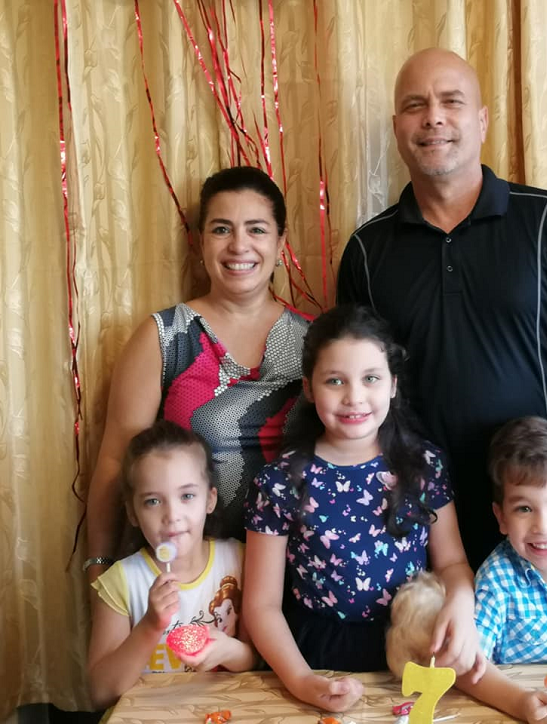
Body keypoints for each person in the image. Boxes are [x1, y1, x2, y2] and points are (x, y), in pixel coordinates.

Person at [337, 47, 547, 624]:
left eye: (451, 101)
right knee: (435, 678)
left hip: (545, 527)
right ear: (397, 128)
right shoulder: (367, 252)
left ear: (481, 120)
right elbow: (355, 397)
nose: (433, 117)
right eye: (415, 105)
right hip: (420, 532)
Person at [242, 305, 485, 712]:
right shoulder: (279, 481)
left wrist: (461, 606)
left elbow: (453, 563)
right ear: (309, 388)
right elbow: (261, 606)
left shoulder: (423, 465)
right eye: (335, 380)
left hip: (415, 644)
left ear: (392, 384)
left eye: (370, 378)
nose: (354, 397)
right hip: (315, 656)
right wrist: (302, 681)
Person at [86, 166, 310, 583]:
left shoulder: (316, 343)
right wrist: (98, 569)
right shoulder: (163, 336)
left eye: (257, 229)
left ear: (281, 243)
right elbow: (117, 461)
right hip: (187, 583)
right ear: (200, 242)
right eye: (222, 229)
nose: (239, 245)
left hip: (299, 575)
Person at [387, 417, 547, 724]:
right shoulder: (496, 579)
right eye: (524, 508)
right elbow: (469, 665)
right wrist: (521, 703)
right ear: (501, 517)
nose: (543, 526)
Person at [88, 420, 257, 709]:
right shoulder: (122, 582)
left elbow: (258, 661)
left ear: (210, 500)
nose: (172, 515)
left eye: (187, 496)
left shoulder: (241, 560)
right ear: (132, 513)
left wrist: (229, 651)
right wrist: (150, 626)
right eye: (153, 501)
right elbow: (100, 693)